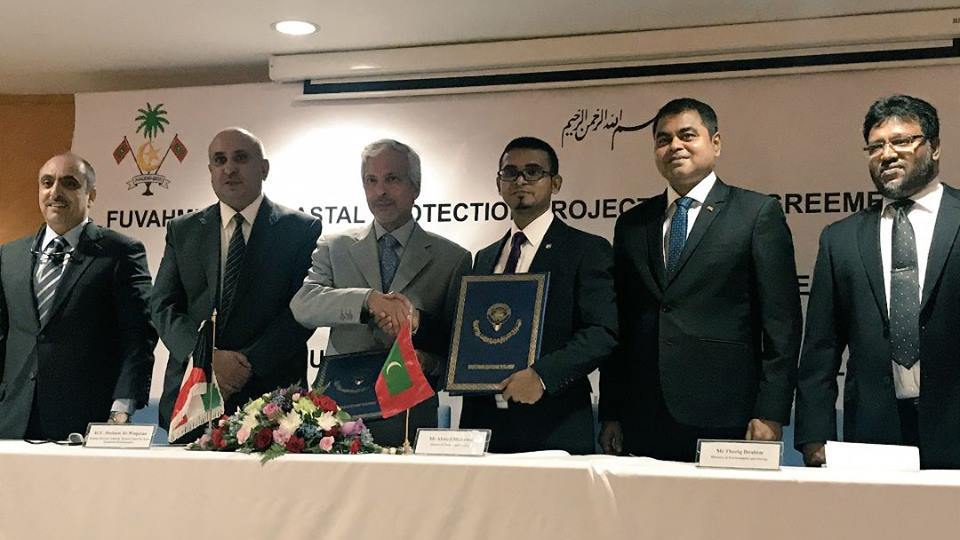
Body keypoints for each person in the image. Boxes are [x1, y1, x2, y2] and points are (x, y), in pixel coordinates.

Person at [600, 98, 802, 461]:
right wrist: (612, 411)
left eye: (687, 135)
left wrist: (771, 411)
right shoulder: (632, 224)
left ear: (716, 143)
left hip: (728, 414)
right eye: (663, 139)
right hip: (642, 414)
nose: (674, 146)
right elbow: (622, 324)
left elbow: (781, 325)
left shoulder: (756, 214)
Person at [796, 94, 960, 469]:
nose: (886, 155)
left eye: (901, 141)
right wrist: (814, 435)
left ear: (934, 147)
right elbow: (821, 347)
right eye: (875, 146)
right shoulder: (840, 239)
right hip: (873, 431)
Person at [290, 139, 471, 446]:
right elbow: (303, 306)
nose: (380, 191)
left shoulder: (452, 259)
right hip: (338, 413)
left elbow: (459, 346)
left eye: (392, 179)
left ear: (415, 187)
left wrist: (428, 362)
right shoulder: (334, 246)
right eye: (371, 181)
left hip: (410, 415)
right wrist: (367, 300)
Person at [153, 128, 321, 440]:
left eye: (240, 158)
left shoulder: (300, 230)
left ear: (264, 169)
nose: (229, 168)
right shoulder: (183, 230)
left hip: (270, 399)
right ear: (210, 170)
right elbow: (163, 306)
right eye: (220, 160)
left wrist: (243, 366)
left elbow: (303, 311)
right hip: (193, 396)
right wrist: (205, 359)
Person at [458, 136, 618, 454]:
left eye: (533, 172)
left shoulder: (586, 250)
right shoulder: (484, 257)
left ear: (555, 183)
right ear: (498, 184)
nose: (520, 180)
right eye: (510, 172)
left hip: (555, 421)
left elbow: (602, 332)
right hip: (484, 422)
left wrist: (542, 377)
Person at [0, 153, 156, 439]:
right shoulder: (9, 256)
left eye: (69, 183)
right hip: (12, 420)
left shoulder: (121, 253)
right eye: (47, 182)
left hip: (87, 421)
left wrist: (121, 411)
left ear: (91, 195)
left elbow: (138, 338)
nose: (55, 192)